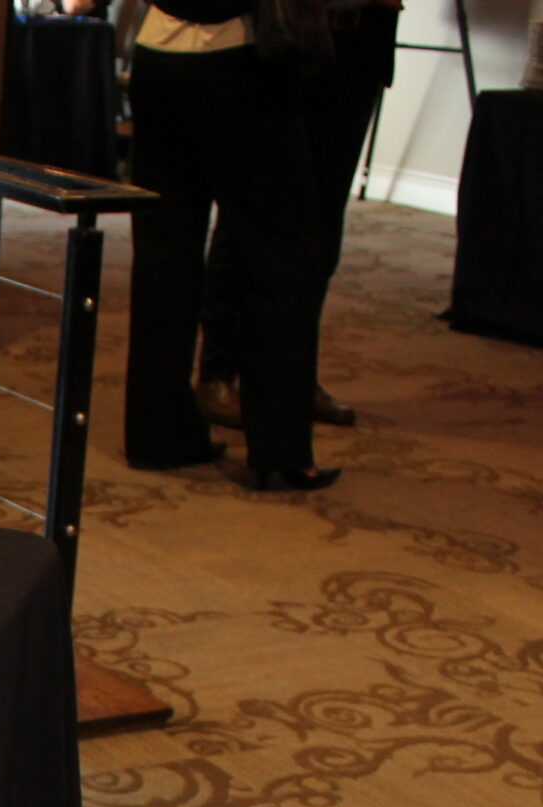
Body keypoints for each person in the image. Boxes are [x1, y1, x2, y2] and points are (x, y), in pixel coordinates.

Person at [121, 0, 340, 490]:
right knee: (282, 250)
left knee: (163, 250)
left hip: (156, 52)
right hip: (236, 55)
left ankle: (158, 433)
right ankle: (280, 450)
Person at [197, 0, 403, 431]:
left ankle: (294, 378)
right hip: (287, 35)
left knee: (323, 225)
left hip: (360, 42)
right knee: (249, 215)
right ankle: (218, 374)